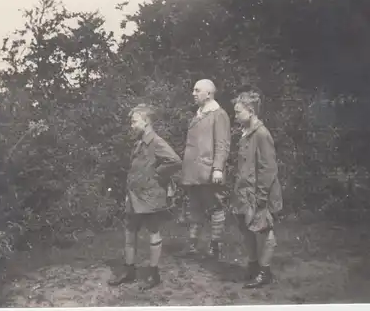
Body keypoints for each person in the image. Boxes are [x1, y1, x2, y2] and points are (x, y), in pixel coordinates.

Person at [108, 104, 182, 290]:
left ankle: (154, 273)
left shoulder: (156, 142)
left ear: (146, 121)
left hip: (149, 195)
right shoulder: (139, 143)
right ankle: (129, 270)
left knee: (153, 230)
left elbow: (175, 161)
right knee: (129, 231)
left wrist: (157, 175)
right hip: (134, 195)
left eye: (134, 121)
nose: (131, 125)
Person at [230, 90, 283, 289]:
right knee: (246, 227)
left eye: (238, 112)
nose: (235, 116)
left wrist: (261, 196)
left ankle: (265, 271)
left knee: (264, 227)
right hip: (245, 191)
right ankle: (253, 266)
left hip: (261, 192)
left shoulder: (261, 133)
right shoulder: (246, 133)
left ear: (250, 111)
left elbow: (268, 168)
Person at [181, 79, 231, 259]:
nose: (193, 93)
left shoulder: (219, 115)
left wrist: (218, 168)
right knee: (194, 207)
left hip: (209, 170)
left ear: (208, 93)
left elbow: (222, 144)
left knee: (215, 207)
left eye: (197, 90)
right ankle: (193, 245)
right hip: (194, 172)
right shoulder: (198, 115)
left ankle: (215, 246)